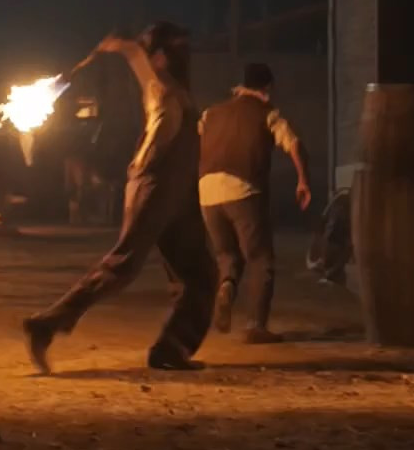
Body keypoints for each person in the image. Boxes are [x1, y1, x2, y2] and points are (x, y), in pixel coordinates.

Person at [22, 22, 216, 373]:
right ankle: (46, 324)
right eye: (175, 49)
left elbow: (144, 66)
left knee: (201, 274)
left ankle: (172, 349)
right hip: (156, 188)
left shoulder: (173, 90)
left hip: (180, 194)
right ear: (160, 57)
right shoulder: (163, 91)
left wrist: (126, 48)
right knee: (122, 267)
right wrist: (129, 50)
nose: (183, 56)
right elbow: (155, 126)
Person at [198, 62, 311, 342]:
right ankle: (255, 326)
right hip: (243, 189)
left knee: (227, 255)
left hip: (207, 191)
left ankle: (226, 285)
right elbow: (293, 143)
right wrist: (302, 180)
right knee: (260, 258)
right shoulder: (267, 113)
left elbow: (193, 141)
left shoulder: (211, 113)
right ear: (267, 87)